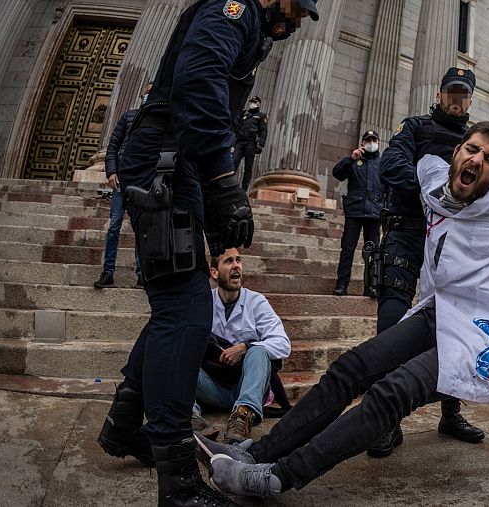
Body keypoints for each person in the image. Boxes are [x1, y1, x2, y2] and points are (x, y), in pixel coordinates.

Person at [194, 121, 489, 499]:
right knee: (350, 368)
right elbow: (401, 159)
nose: (477, 160)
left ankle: (278, 477)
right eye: (472, 149)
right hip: (438, 311)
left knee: (391, 392)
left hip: (481, 330)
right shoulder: (431, 175)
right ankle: (257, 454)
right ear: (457, 151)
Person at [96, 2, 317, 506]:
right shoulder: (232, 9)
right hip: (165, 163)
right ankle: (177, 485)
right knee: (186, 313)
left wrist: (216, 195)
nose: (300, 20)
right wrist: (224, 179)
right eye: (299, 7)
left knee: (176, 307)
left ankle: (123, 424)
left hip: (180, 164)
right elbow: (198, 80)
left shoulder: (249, 23)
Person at [372, 67, 483, 456]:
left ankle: (450, 412)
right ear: (439, 95)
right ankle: (385, 420)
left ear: (471, 99)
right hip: (408, 232)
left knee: (453, 325)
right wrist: (431, 196)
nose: (457, 99)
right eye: (451, 92)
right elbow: (391, 166)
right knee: (390, 322)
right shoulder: (416, 127)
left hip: (453, 242)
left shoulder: (475, 143)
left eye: (463, 94)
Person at [192, 248, 291, 444]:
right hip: (213, 387)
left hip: (249, 386)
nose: (236, 265)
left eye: (238, 260)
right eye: (228, 261)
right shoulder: (203, 302)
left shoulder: (256, 302)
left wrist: (245, 347)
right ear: (214, 272)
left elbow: (283, 344)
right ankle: (191, 417)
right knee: (182, 355)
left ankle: (242, 416)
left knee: (259, 351)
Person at [93, 82, 151, 290]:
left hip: (142, 181)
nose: (149, 96)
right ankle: (108, 272)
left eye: (153, 93)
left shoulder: (156, 122)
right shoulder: (128, 116)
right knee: (114, 226)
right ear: (141, 95)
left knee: (140, 228)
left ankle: (142, 273)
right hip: (122, 180)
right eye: (147, 93)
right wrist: (111, 171)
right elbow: (113, 145)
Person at [332, 130, 383, 297]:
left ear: (378, 142)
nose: (371, 143)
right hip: (355, 210)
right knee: (348, 248)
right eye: (368, 140)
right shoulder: (354, 161)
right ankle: (341, 284)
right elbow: (337, 174)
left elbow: (389, 188)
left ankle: (370, 286)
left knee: (372, 252)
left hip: (375, 213)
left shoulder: (382, 163)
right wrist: (350, 159)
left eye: (374, 140)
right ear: (362, 143)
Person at [232, 95, 268, 190]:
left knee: (248, 166)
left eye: (254, 102)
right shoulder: (244, 114)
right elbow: (237, 128)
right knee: (233, 162)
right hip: (240, 142)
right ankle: (231, 184)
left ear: (259, 104)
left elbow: (263, 131)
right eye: (251, 102)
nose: (252, 104)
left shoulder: (261, 116)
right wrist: (233, 143)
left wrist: (261, 145)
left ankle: (244, 188)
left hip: (250, 143)